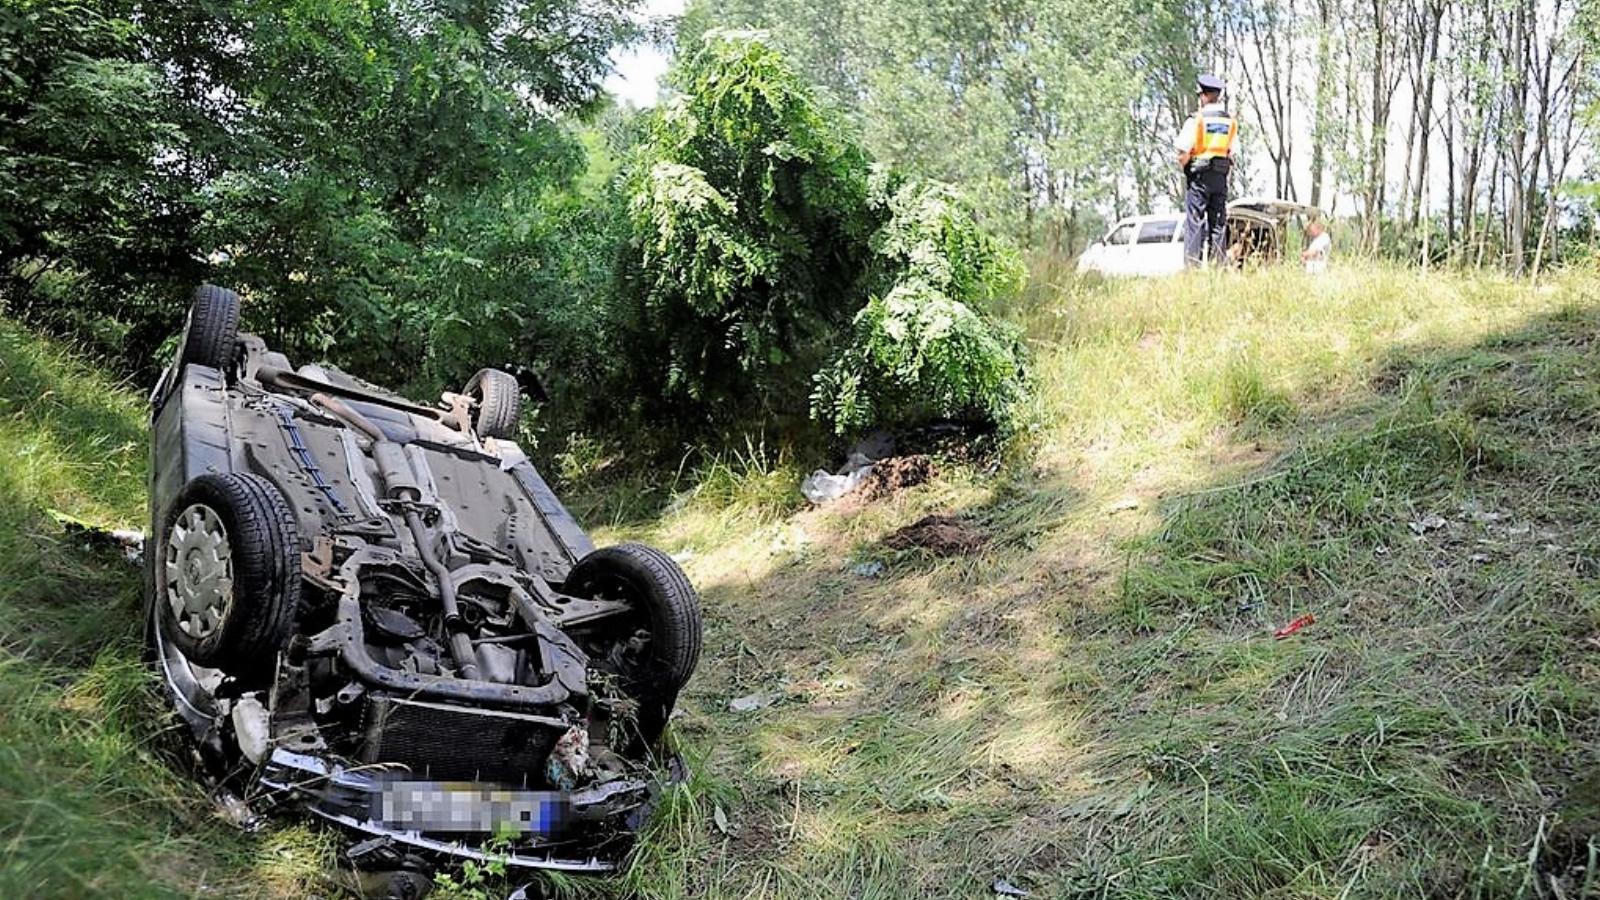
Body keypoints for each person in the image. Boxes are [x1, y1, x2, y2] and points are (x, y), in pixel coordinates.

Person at [1175, 74, 1238, 268]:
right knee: (1218, 224)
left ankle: (1192, 268)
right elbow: (1232, 154)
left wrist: (1184, 167)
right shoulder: (1231, 122)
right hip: (1220, 178)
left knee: (1195, 222)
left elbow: (1183, 153)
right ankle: (1217, 268)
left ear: (1203, 96)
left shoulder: (1197, 120)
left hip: (1199, 178)